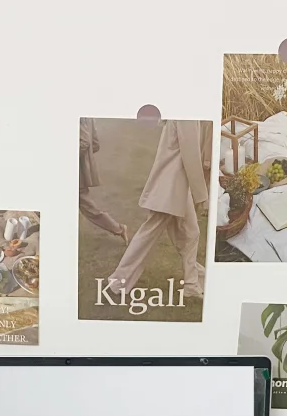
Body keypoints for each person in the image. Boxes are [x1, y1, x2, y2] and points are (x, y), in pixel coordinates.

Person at [104, 119, 212, 301]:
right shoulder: (186, 115)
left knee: (191, 233)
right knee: (149, 234)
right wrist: (202, 195)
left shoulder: (184, 113)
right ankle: (118, 282)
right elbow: (191, 155)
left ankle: (193, 283)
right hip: (170, 185)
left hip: (175, 184)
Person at [78, 118, 128, 244]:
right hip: (78, 169)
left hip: (72, 169)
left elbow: (85, 142)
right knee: (85, 204)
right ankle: (118, 228)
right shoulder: (88, 116)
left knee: (86, 205)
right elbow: (95, 144)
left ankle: (119, 229)